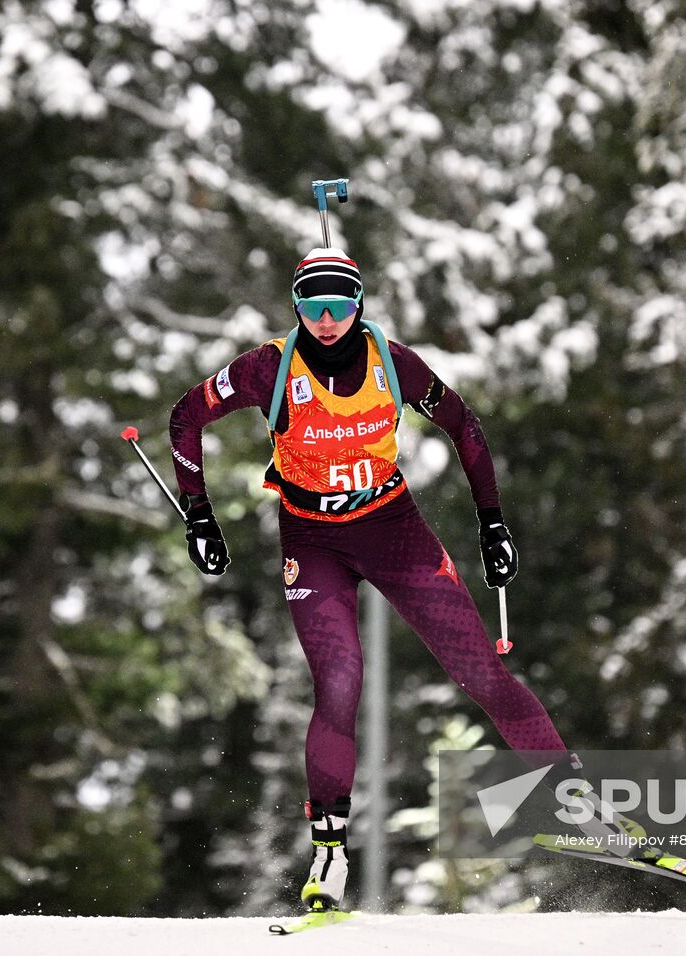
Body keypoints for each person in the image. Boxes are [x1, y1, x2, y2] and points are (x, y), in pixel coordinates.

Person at [167, 248, 571, 914]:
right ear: (296, 308)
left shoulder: (394, 362)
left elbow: (464, 425)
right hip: (312, 538)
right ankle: (329, 856)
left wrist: (492, 526)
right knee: (339, 681)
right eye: (311, 307)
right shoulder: (268, 367)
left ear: (360, 306)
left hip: (393, 531)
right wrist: (199, 519)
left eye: (341, 306)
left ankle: (571, 797)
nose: (326, 321)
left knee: (480, 672)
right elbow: (186, 416)